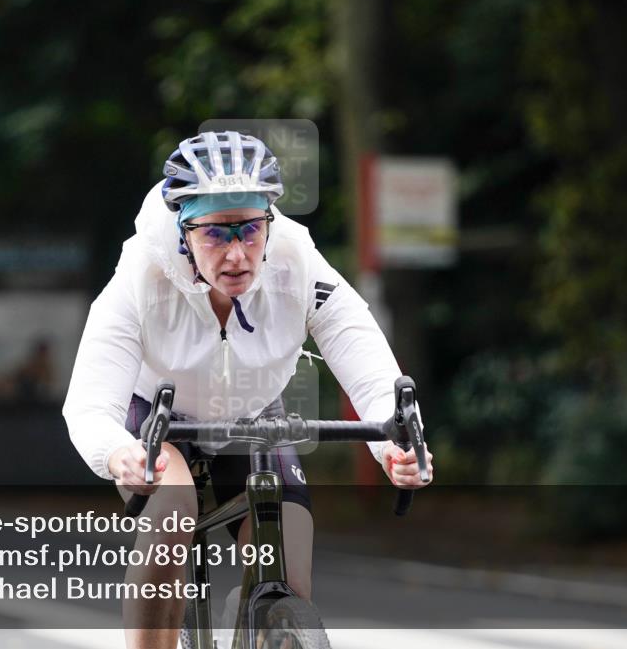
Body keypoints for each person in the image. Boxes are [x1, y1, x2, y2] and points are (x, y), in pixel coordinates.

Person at [63, 131, 434, 649]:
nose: (237, 254)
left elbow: (361, 353)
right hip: (157, 421)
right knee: (172, 512)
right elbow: (89, 402)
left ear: (269, 221)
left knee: (290, 577)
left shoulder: (295, 261)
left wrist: (389, 443)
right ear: (183, 229)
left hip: (254, 416)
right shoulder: (140, 277)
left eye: (251, 230)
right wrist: (117, 453)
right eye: (216, 234)